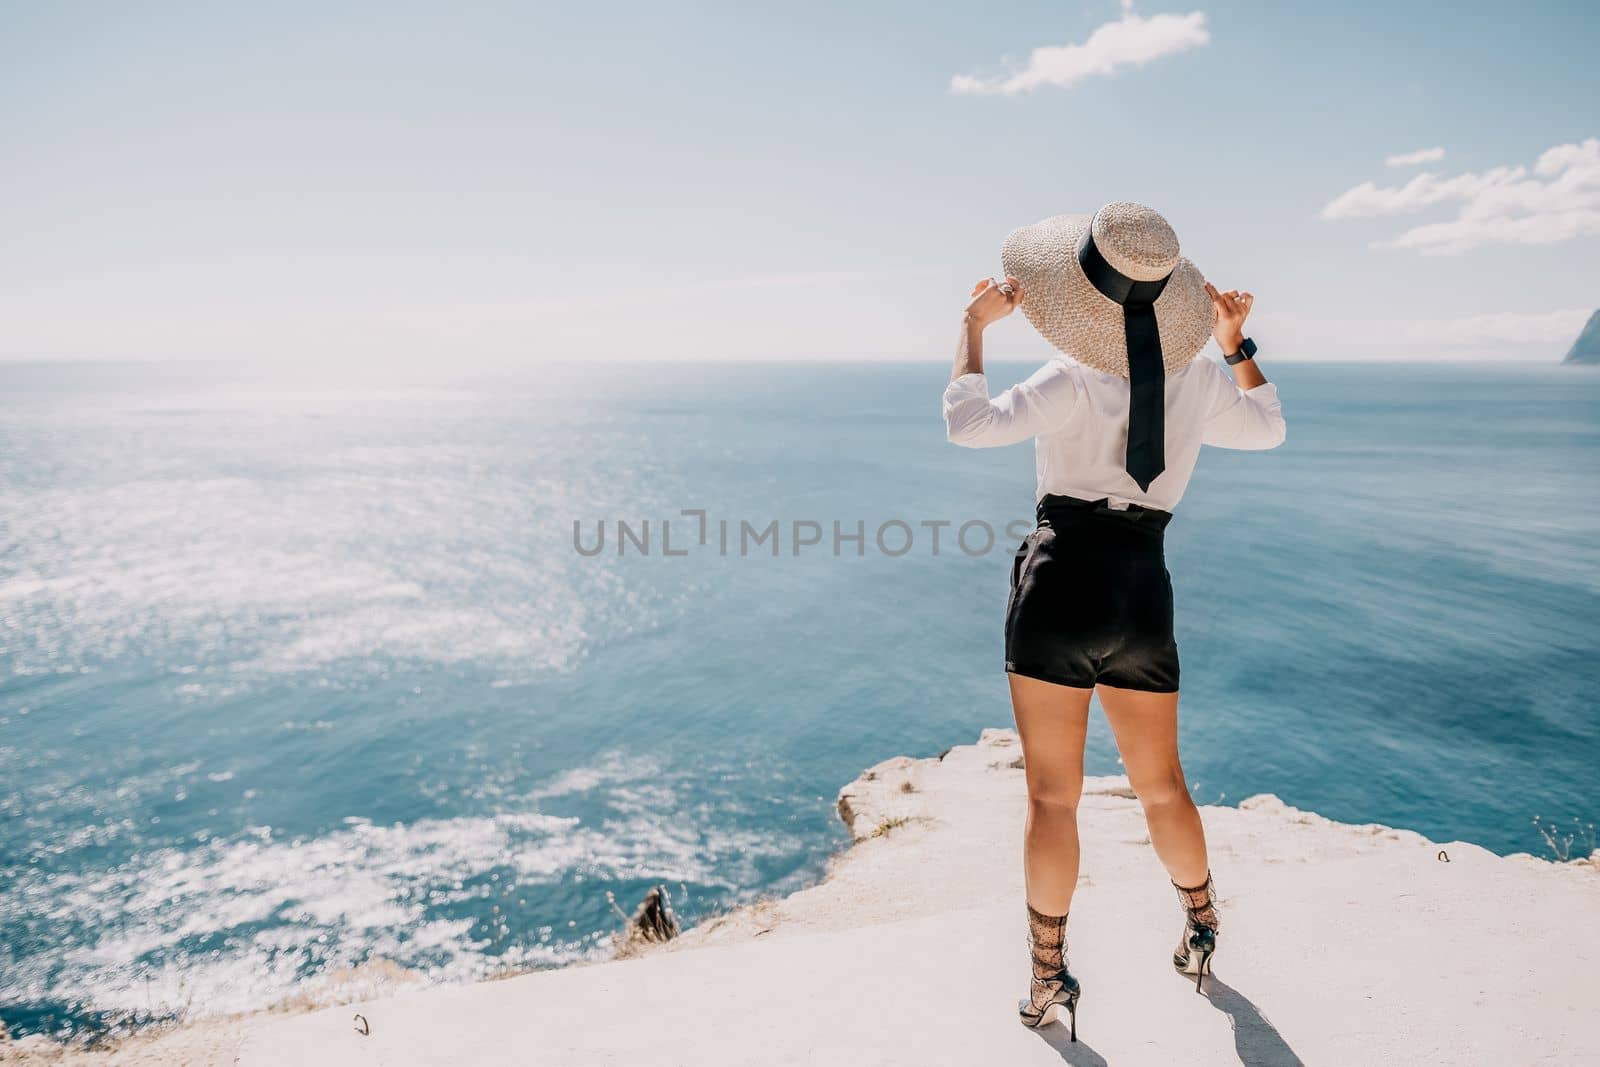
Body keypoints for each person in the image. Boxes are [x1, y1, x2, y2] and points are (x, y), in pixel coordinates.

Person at [941, 202, 1286, 1040]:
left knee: (1052, 798)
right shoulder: (1203, 379)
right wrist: (1235, 342)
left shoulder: (1070, 377)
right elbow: (1271, 428)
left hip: (1061, 583)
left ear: (1081, 300)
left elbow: (968, 424)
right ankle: (1201, 929)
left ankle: (1050, 980)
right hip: (1142, 585)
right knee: (1162, 785)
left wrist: (972, 328)